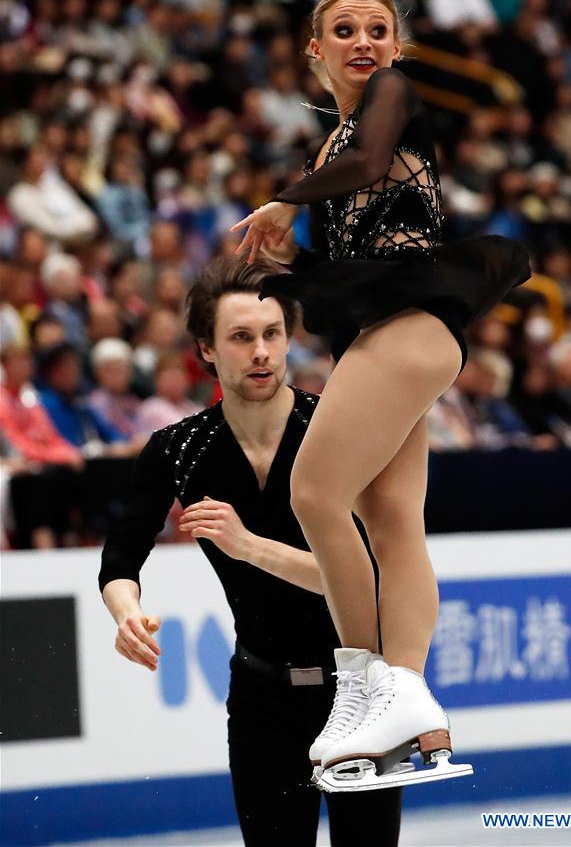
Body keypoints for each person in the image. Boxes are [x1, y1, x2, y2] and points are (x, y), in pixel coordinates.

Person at [230, 0, 530, 787]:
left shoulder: (386, 100)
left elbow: (369, 162)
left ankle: (363, 684)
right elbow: (346, 229)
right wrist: (281, 251)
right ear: (314, 49)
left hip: (408, 328)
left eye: (376, 29)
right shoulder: (326, 147)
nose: (364, 42)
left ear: (395, 48)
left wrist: (283, 203)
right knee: (391, 523)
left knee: (312, 494)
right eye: (345, 29)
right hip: (396, 337)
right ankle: (410, 703)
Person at [98, 258, 402, 847]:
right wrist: (125, 611)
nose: (261, 351)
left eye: (272, 335)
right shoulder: (178, 450)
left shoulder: (339, 430)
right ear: (206, 350)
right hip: (262, 699)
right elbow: (121, 556)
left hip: (362, 689)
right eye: (241, 338)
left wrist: (248, 546)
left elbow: (368, 580)